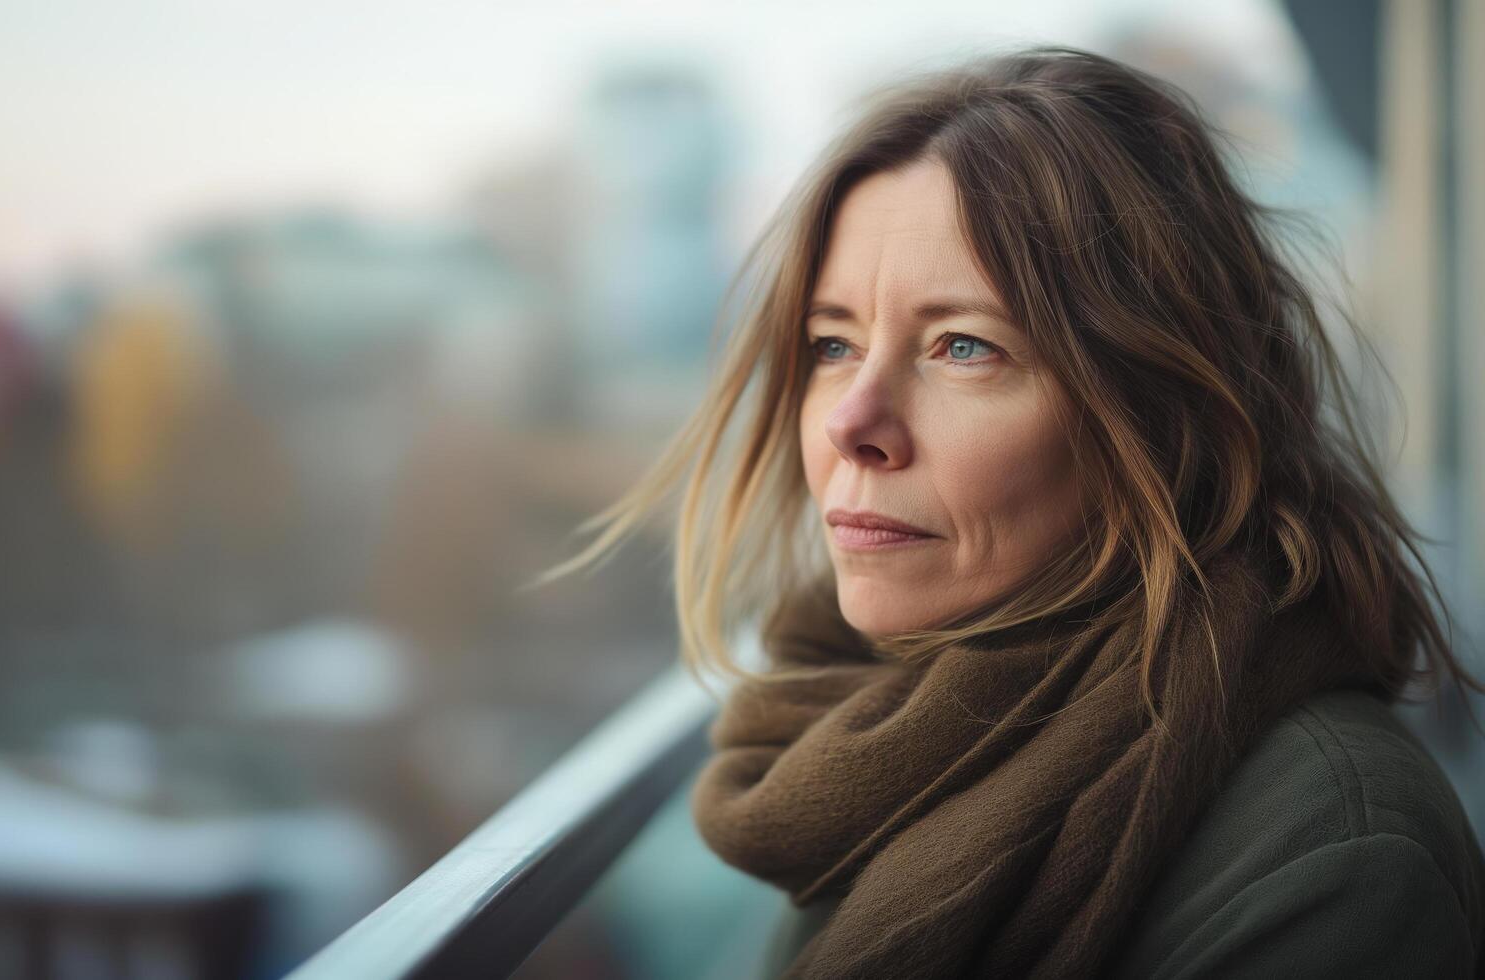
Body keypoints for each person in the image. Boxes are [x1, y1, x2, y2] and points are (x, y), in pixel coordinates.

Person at [531, 46, 1485, 977]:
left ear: (1157, 414)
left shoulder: (1338, 861)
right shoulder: (876, 727)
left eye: (962, 347)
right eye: (832, 345)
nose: (853, 424)